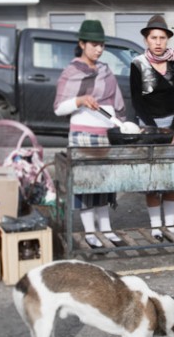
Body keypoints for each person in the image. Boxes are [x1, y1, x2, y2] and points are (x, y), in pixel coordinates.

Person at [54, 19, 138, 244]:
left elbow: (116, 102)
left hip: (104, 135)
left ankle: (107, 229)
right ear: (82, 44)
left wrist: (120, 124)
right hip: (81, 136)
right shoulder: (71, 71)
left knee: (104, 184)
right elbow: (59, 108)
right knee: (85, 184)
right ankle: (90, 232)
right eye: (94, 44)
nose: (99, 49)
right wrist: (80, 100)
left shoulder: (105, 70)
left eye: (102, 45)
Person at [130, 15, 174, 240]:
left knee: (172, 176)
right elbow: (136, 100)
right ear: (146, 39)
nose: (158, 42)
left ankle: (170, 226)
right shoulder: (138, 64)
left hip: (173, 123)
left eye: (162, 37)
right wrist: (154, 131)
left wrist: (172, 129)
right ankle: (155, 226)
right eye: (153, 37)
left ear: (167, 40)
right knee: (152, 177)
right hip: (148, 126)